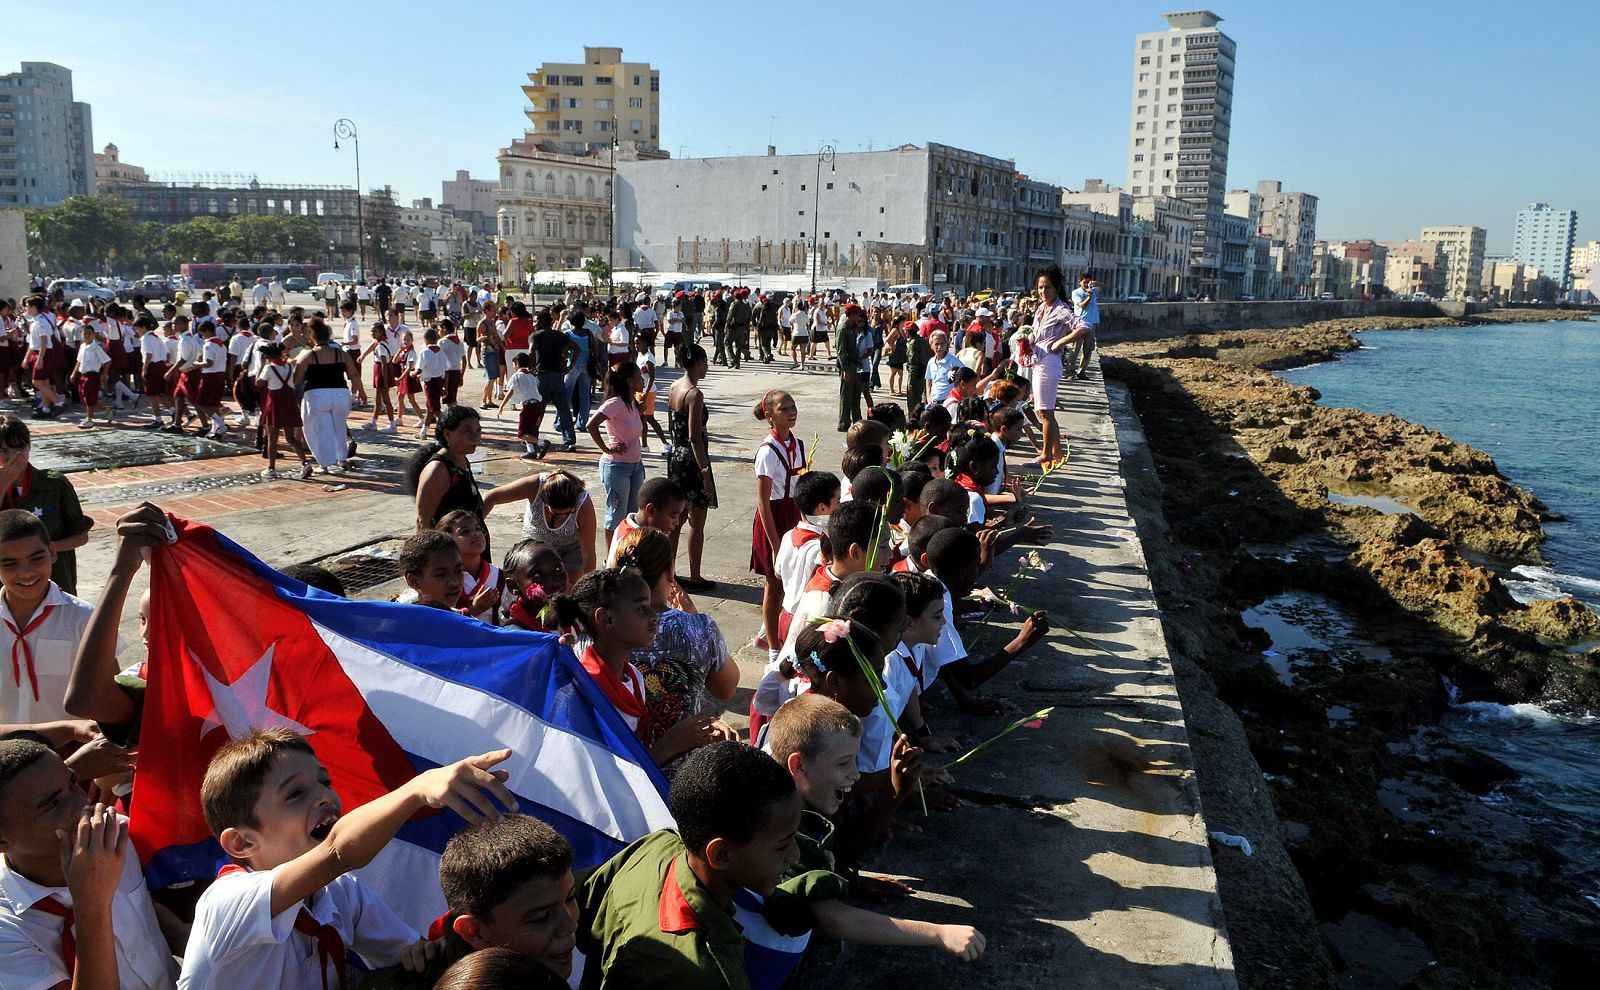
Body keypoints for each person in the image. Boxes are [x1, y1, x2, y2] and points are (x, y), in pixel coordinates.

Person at [178, 728, 513, 990]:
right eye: (295, 793)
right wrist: (417, 790)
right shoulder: (228, 901)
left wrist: (425, 952)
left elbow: (409, 953)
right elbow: (339, 853)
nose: (324, 796)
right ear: (242, 841)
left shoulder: (340, 893)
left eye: (325, 782)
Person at [576, 741, 802, 990]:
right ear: (721, 855)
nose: (795, 855)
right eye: (782, 846)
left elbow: (582, 905)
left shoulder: (659, 845)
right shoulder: (695, 972)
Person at [0, 740, 181, 990]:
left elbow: (145, 908)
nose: (79, 805)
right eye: (52, 804)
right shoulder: (5, 929)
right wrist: (92, 903)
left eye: (73, 783)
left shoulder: (115, 834)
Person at [614, 527, 739, 772]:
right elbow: (726, 688)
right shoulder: (699, 628)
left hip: (621, 767)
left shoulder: (603, 629)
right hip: (684, 773)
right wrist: (693, 615)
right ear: (670, 571)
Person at [0, 417, 92, 595]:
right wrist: (3, 483)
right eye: (3, 450)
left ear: (29, 447)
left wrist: (45, 552)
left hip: (55, 583)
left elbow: (81, 537)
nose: (12, 457)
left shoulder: (54, 484)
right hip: (7, 588)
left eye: (19, 448)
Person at [750, 391, 804, 659]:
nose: (791, 412)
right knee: (774, 583)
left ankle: (765, 631)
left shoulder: (798, 444)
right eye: (784, 408)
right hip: (773, 518)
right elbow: (763, 503)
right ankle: (772, 647)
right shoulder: (767, 452)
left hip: (793, 515)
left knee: (792, 581)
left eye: (793, 407)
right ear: (770, 415)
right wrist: (775, 546)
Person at [665, 344, 716, 591]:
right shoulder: (694, 394)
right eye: (705, 362)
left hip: (675, 456)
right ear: (698, 363)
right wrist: (705, 472)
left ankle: (670, 573)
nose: (706, 367)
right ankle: (695, 577)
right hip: (693, 461)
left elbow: (672, 429)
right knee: (696, 521)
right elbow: (695, 436)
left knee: (675, 519)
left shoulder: (674, 387)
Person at [482, 469, 597, 580]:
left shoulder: (583, 503)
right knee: (529, 585)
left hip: (570, 548)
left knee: (568, 590)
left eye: (568, 513)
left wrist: (590, 587)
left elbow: (588, 552)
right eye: (555, 513)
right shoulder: (534, 486)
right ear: (545, 502)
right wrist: (474, 526)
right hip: (535, 544)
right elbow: (492, 497)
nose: (562, 517)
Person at [1029, 265, 1092, 466]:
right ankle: (1056, 453)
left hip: (1049, 363)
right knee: (1044, 411)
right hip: (1038, 361)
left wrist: (1060, 342)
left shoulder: (1061, 309)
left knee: (1045, 411)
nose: (1043, 291)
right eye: (1040, 287)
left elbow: (1084, 327)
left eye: (1047, 287)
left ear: (1056, 288)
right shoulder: (1041, 308)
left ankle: (1046, 454)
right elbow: (1037, 334)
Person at [587, 362, 646, 548]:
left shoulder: (632, 403)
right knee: (615, 515)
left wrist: (641, 412)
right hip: (617, 467)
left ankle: (626, 552)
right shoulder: (615, 403)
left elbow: (636, 429)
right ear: (629, 382)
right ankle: (611, 558)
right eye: (639, 376)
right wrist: (607, 448)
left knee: (632, 515)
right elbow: (591, 425)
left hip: (635, 465)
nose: (642, 380)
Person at [294, 320, 358, 474]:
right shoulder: (340, 353)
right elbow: (353, 374)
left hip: (316, 395)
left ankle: (324, 464)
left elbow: (297, 379)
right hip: (341, 394)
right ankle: (342, 459)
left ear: (312, 337)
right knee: (340, 427)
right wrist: (360, 391)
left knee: (318, 430)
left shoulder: (308, 356)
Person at [408, 405, 485, 531]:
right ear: (448, 434)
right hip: (450, 548)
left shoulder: (461, 460)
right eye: (467, 431)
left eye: (478, 430)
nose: (475, 437)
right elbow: (423, 523)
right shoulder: (438, 470)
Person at [256, 342, 314, 480]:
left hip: (275, 402)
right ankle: (304, 462)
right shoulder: (288, 366)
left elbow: (258, 383)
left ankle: (271, 468)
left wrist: (262, 365)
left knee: (272, 438)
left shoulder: (269, 368)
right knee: (291, 437)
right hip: (288, 401)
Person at [605, 477, 685, 568]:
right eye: (673, 516)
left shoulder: (627, 526)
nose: (677, 522)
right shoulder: (635, 543)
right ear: (651, 510)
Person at [530, 308, 578, 450]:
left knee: (539, 409)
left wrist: (531, 368)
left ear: (541, 321)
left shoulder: (536, 336)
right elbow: (576, 349)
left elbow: (531, 351)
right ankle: (569, 440)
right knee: (563, 409)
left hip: (542, 376)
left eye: (536, 321)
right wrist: (569, 367)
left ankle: (533, 438)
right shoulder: (560, 336)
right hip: (558, 376)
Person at [496, 353, 546, 460]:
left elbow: (510, 391)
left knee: (522, 433)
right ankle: (531, 451)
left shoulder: (516, 376)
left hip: (528, 406)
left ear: (517, 364)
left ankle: (542, 443)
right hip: (537, 404)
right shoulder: (532, 377)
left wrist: (502, 406)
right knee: (528, 430)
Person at [834, 304, 872, 433]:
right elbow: (841, 351)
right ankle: (843, 423)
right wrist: (845, 369)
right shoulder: (843, 329)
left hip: (854, 365)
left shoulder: (851, 328)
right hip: (847, 365)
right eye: (857, 314)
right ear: (851, 315)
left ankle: (857, 420)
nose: (859, 317)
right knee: (846, 395)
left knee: (856, 393)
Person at [1069, 273, 1100, 380]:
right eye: (1085, 282)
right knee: (1075, 349)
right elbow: (1081, 305)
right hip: (1079, 324)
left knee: (1088, 350)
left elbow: (1105, 287)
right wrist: (1089, 297)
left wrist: (1096, 283)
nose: (1087, 284)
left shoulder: (1094, 290)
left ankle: (1081, 372)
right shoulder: (1076, 292)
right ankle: (1070, 372)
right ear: (1080, 282)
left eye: (1088, 282)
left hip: (1092, 323)